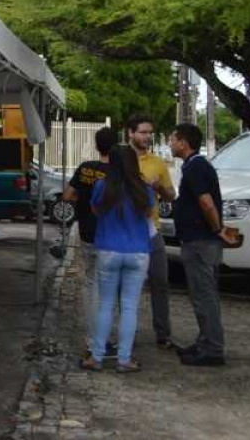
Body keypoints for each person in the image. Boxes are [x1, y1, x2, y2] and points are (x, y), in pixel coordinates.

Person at [80, 146, 155, 373]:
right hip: (139, 252)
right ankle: (124, 360)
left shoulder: (102, 186)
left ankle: (97, 357)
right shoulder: (145, 189)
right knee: (130, 308)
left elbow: (95, 211)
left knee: (105, 306)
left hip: (108, 250)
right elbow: (148, 214)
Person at [169, 123, 229, 366]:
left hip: (201, 241)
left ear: (184, 142)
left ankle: (212, 348)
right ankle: (205, 341)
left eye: (173, 139)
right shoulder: (195, 166)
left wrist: (217, 229)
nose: (171, 144)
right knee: (201, 295)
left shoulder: (196, 168)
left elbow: (206, 203)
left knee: (205, 296)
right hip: (199, 240)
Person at [61, 127, 116, 356]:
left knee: (91, 286)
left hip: (87, 234)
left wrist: (82, 199)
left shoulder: (85, 168)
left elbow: (67, 196)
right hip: (111, 237)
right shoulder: (117, 172)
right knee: (108, 290)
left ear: (96, 145)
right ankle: (104, 339)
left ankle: (93, 337)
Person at [125, 113, 177, 349]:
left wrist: (158, 187)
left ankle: (163, 334)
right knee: (128, 287)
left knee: (160, 282)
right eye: (143, 132)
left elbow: (171, 195)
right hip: (126, 232)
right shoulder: (120, 160)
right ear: (130, 133)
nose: (147, 137)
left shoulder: (158, 163)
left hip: (152, 231)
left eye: (149, 133)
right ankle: (128, 333)